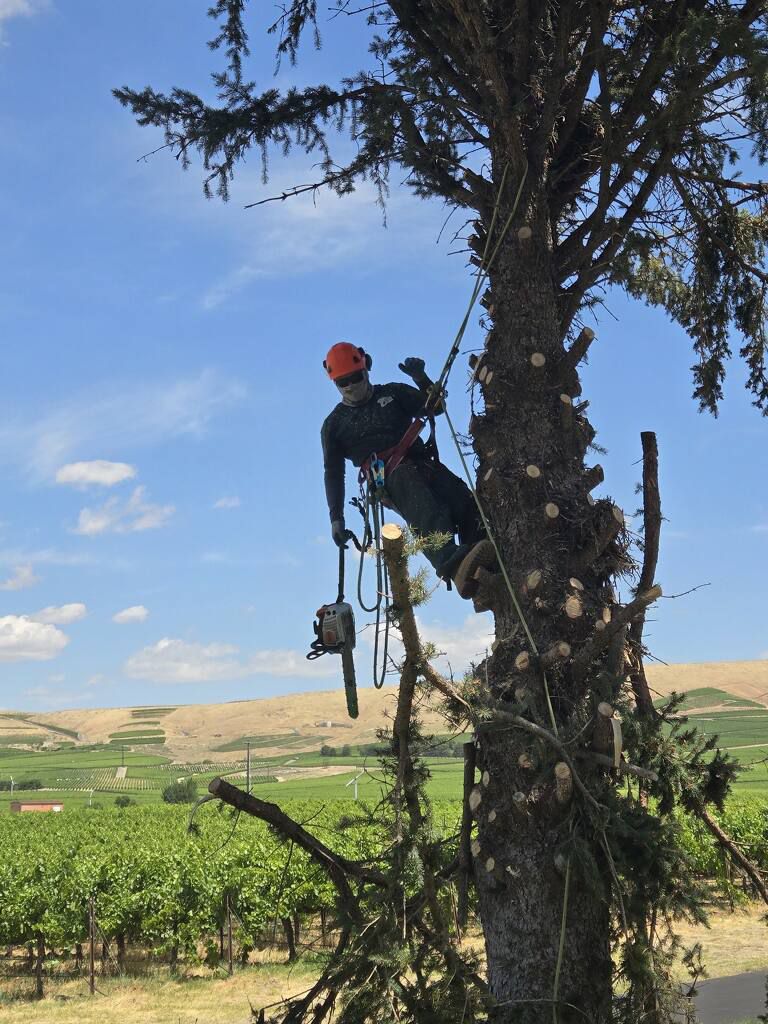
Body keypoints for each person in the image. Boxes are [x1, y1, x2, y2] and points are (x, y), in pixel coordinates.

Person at [320, 341, 496, 599]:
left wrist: (421, 378)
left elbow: (434, 406)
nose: (351, 386)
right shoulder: (334, 425)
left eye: (355, 378)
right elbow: (333, 473)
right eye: (343, 382)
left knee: (464, 501)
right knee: (423, 505)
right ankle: (453, 563)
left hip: (422, 462)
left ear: (366, 367)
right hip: (389, 478)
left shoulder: (392, 394)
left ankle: (482, 560)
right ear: (334, 382)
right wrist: (336, 518)